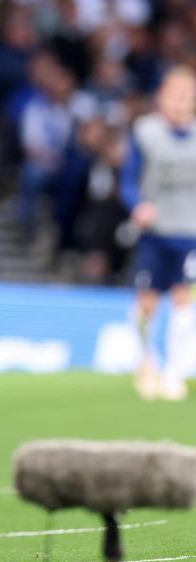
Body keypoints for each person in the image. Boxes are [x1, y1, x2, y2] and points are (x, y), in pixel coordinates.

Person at [121, 65, 196, 402]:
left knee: (184, 299)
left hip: (189, 232)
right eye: (176, 94)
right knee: (148, 302)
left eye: (188, 95)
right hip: (155, 230)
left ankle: (175, 371)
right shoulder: (145, 132)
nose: (182, 101)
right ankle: (146, 361)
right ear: (162, 97)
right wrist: (138, 205)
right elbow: (128, 180)